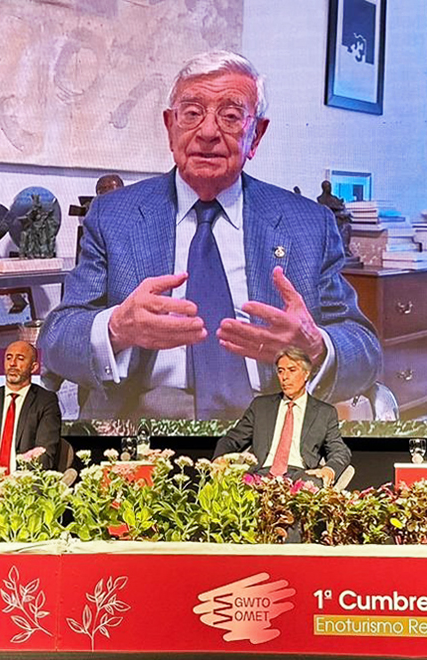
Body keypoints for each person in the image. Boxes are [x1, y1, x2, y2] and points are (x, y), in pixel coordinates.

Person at [37, 50, 381, 420]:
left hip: (273, 421)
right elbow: (56, 340)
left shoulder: (308, 224)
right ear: (171, 127)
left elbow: (364, 350)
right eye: (191, 113)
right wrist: (117, 327)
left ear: (256, 135)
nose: (208, 132)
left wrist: (313, 346)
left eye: (231, 116)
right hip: (139, 422)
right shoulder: (113, 216)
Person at [213, 347, 350, 487]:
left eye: (292, 370)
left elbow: (339, 450)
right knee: (226, 485)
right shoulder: (261, 406)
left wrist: (329, 470)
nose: (285, 377)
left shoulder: (324, 412)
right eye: (280, 371)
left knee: (311, 485)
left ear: (306, 374)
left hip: (299, 475)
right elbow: (231, 439)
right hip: (260, 474)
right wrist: (219, 459)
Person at [0, 340, 61, 473]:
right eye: (9, 358)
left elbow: (44, 453)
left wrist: (16, 483)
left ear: (34, 367)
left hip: (25, 482)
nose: (12, 363)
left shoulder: (46, 401)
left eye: (20, 359)